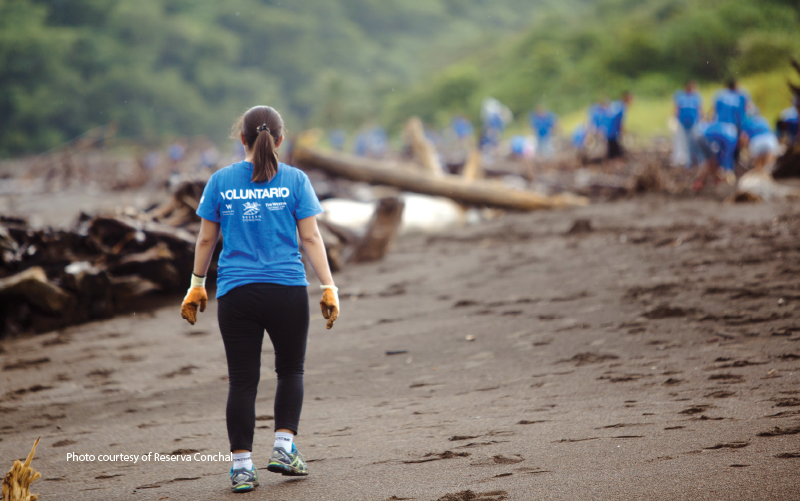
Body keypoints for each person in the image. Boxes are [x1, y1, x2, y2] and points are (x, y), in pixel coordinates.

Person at [180, 105, 340, 493]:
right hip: (287, 289)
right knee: (290, 370)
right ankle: (284, 449)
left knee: (242, 382)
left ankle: (241, 468)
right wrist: (328, 286)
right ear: (280, 140)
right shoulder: (296, 180)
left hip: (236, 294)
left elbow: (205, 239)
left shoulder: (220, 181)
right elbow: (312, 238)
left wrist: (197, 284)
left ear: (242, 139)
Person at [692, 120, 738, 191]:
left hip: (700, 135)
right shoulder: (732, 140)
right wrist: (728, 169)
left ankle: (702, 181)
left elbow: (721, 152)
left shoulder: (729, 132)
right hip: (704, 138)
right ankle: (700, 181)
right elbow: (727, 155)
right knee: (710, 161)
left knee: (711, 161)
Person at [672, 80, 703, 167]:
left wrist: (701, 120)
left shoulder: (696, 96)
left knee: (694, 141)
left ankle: (695, 159)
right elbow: (676, 109)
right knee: (683, 142)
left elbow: (699, 109)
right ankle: (686, 161)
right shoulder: (680, 96)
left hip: (694, 122)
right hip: (682, 122)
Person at [606, 91, 634, 160]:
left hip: (608, 131)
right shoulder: (622, 107)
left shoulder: (616, 104)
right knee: (616, 155)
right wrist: (624, 133)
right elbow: (620, 123)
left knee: (612, 153)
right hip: (613, 133)